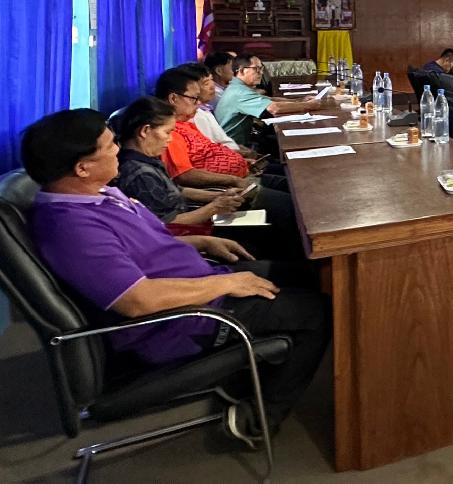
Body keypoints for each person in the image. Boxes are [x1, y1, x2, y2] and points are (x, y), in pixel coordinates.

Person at [21, 109, 330, 445]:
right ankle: (258, 418)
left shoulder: (97, 196)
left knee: (314, 274)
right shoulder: (71, 227)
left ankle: (256, 375)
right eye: (109, 146)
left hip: (202, 281)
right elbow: (138, 300)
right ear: (82, 168)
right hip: (184, 320)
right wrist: (228, 283)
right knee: (315, 312)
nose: (118, 149)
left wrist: (200, 241)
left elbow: (143, 246)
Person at [115, 97, 245, 226]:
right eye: (167, 132)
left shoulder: (148, 160)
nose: (170, 139)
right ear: (145, 131)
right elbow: (165, 225)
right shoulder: (140, 175)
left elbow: (177, 191)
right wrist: (214, 207)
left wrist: (219, 196)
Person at [215, 56, 326, 145]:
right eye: (257, 69)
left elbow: (270, 99)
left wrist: (300, 100)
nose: (261, 73)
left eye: (261, 69)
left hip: (244, 141)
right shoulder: (239, 92)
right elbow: (274, 108)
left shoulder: (238, 87)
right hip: (237, 147)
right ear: (242, 70)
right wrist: (308, 106)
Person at [176, 62, 253, 155]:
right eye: (206, 83)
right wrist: (237, 153)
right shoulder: (195, 116)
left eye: (211, 80)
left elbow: (221, 141)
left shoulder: (205, 109)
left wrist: (237, 148)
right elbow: (210, 149)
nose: (212, 86)